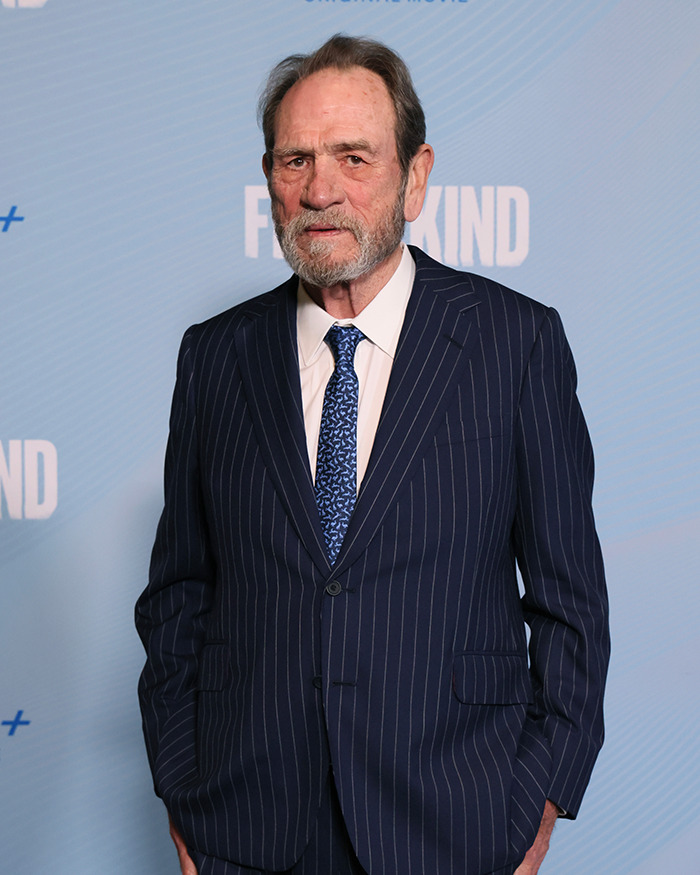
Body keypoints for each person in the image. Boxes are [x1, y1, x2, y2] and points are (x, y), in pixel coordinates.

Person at [136, 34, 610, 875]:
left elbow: (571, 604)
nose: (321, 190)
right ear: (269, 181)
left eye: (354, 157)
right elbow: (179, 594)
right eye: (295, 160)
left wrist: (536, 799)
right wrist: (183, 785)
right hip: (247, 828)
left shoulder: (514, 343)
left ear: (414, 176)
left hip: (452, 825)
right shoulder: (214, 357)